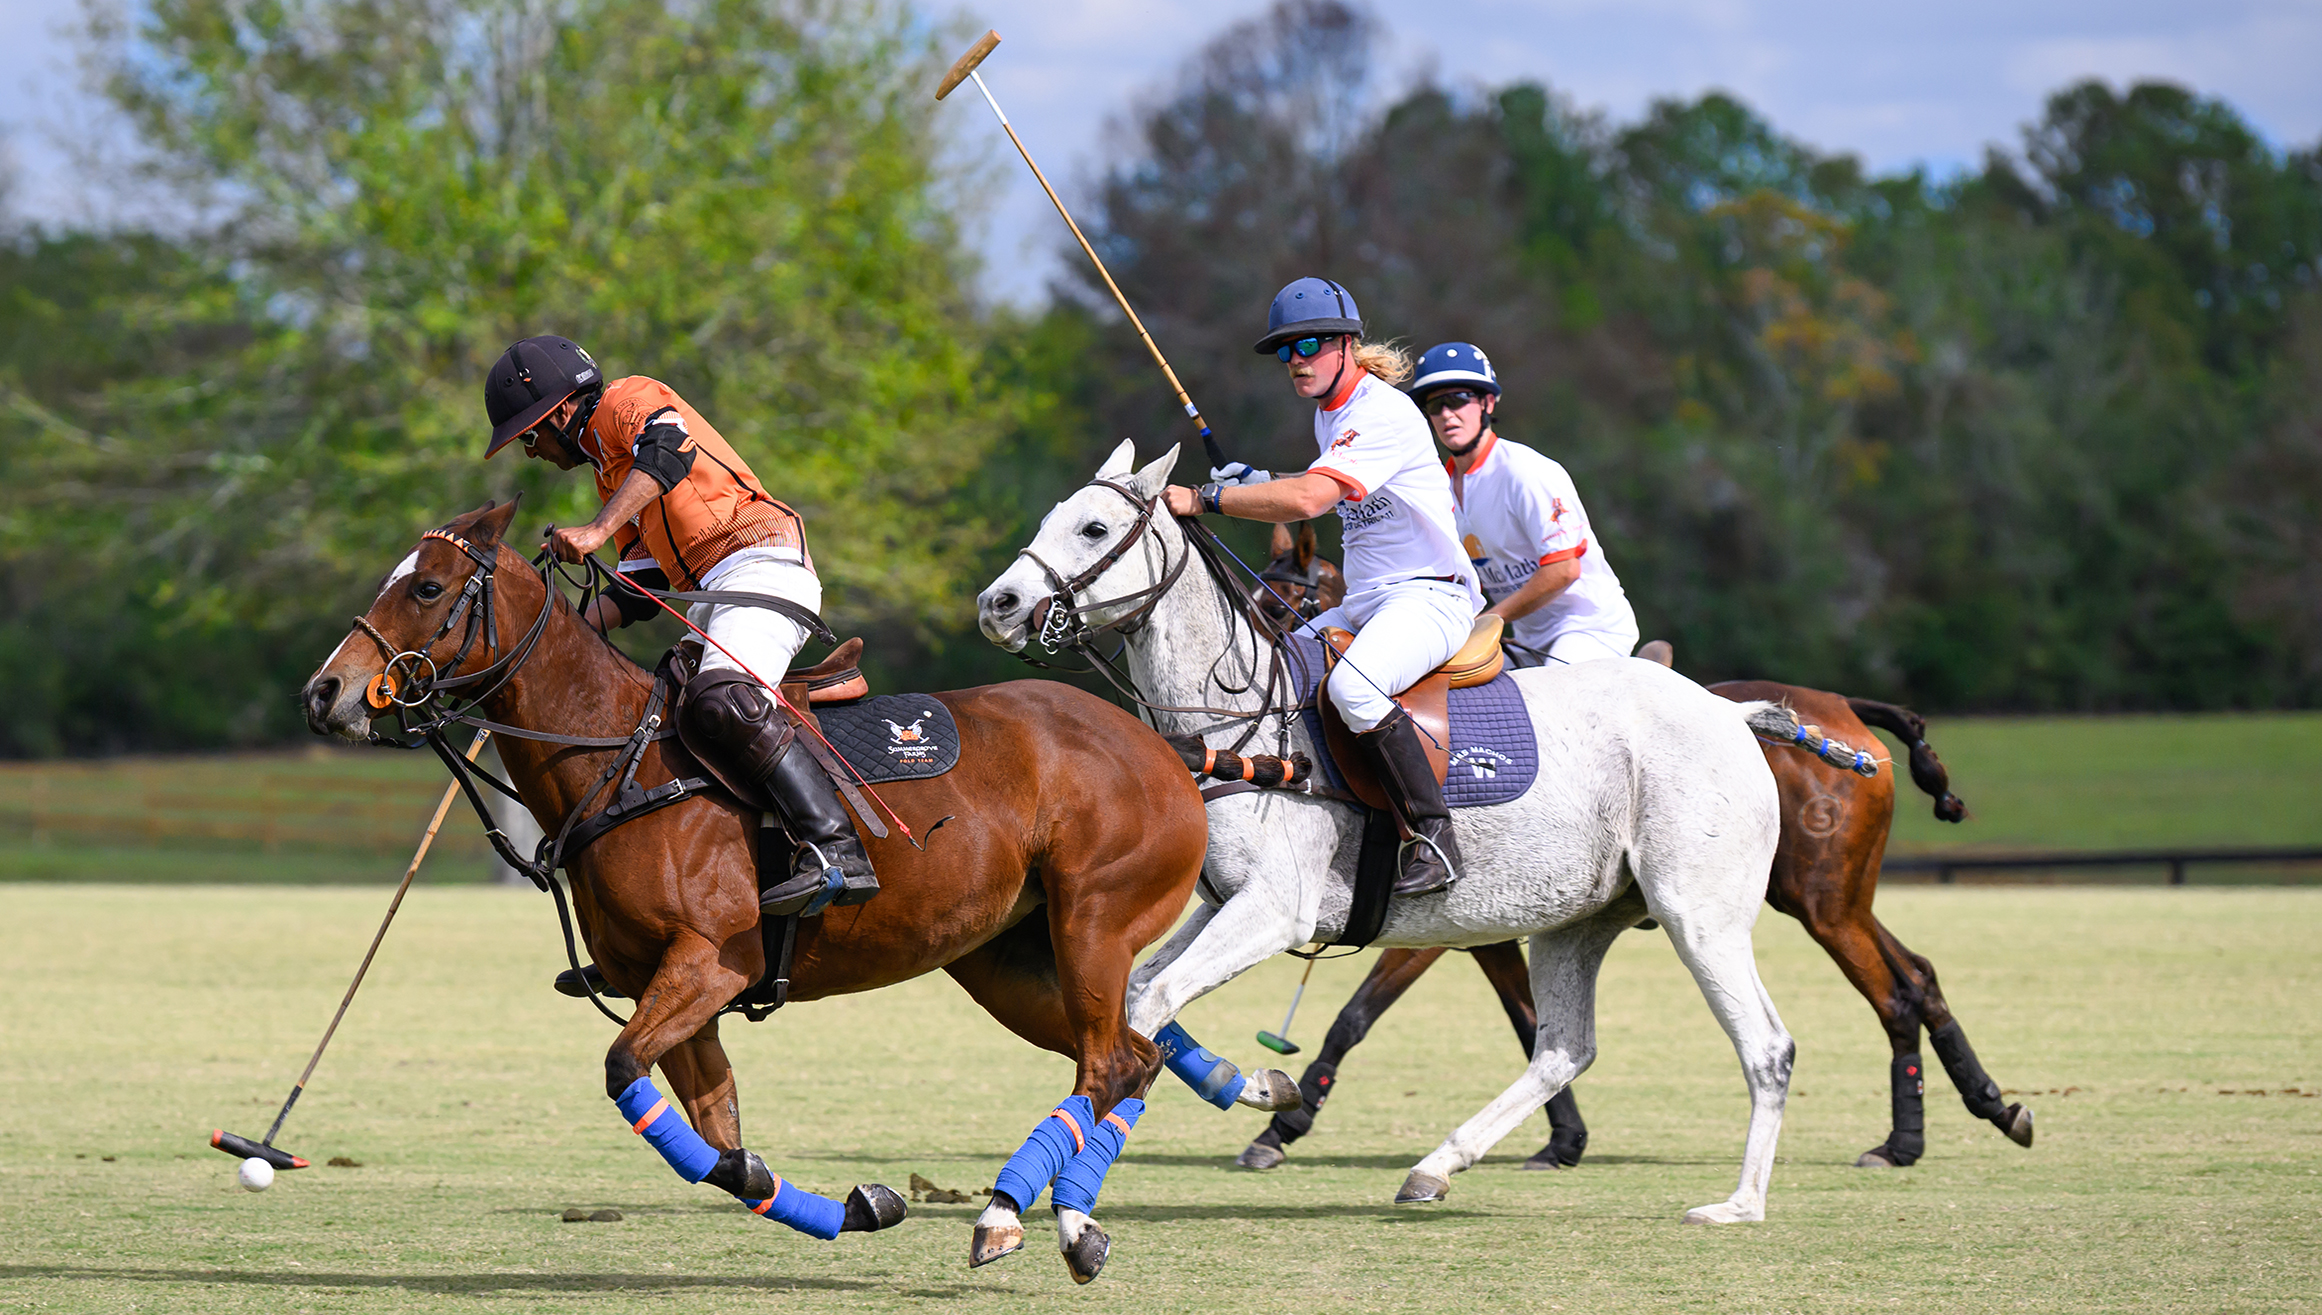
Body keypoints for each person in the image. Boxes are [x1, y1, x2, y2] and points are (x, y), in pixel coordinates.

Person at [482, 335, 876, 917]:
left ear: (560, 409)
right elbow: (638, 586)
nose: (532, 452)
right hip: (713, 598)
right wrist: (549, 639)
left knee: (722, 702)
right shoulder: (610, 473)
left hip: (765, 564)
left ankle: (836, 849)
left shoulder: (626, 400)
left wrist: (595, 530)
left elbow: (668, 451)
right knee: (659, 721)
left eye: (529, 436)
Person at [1163, 279, 1481, 897]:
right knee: (1275, 666)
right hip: (1370, 599)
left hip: (1431, 596)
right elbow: (1318, 483)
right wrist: (1257, 479)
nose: (1297, 360)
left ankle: (1434, 838)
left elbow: (1313, 496)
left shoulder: (1381, 411)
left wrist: (1208, 497)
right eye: (1285, 351)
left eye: (1309, 344)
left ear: (1346, 344)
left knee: (1355, 689)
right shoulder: (1330, 413)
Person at [1407, 341, 1640, 667]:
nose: (1447, 414)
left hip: (1590, 628)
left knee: (1555, 704)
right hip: (1528, 639)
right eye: (1435, 405)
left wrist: (1491, 619)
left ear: (1487, 403)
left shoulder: (1525, 471)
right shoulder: (1436, 488)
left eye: (1457, 400)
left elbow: (1564, 569)